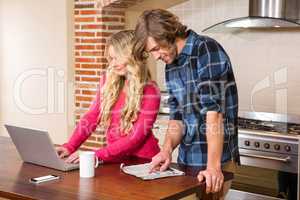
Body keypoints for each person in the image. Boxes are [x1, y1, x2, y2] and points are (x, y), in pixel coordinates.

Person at [133, 9, 239, 199]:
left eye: (156, 48)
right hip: (186, 161)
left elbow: (214, 113)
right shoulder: (171, 65)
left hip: (214, 162)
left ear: (169, 33)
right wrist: (166, 150)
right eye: (151, 52)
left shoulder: (205, 49)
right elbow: (177, 118)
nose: (156, 56)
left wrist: (213, 168)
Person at [56, 30, 161, 164]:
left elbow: (135, 138)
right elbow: (92, 116)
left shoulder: (150, 90)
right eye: (111, 59)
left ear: (132, 56)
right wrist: (69, 146)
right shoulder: (108, 81)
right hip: (116, 159)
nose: (112, 64)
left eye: (116, 58)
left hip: (143, 162)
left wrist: (96, 154)